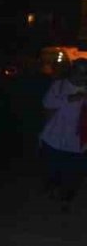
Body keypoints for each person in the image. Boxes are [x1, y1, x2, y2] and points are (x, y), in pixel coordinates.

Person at [41, 59, 87, 208]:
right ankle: (53, 189)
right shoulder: (59, 86)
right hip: (54, 138)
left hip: (78, 142)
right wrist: (69, 99)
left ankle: (66, 199)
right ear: (72, 71)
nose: (82, 75)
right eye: (79, 71)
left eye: (85, 72)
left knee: (74, 174)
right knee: (53, 170)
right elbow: (47, 103)